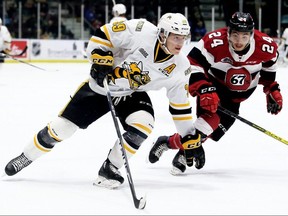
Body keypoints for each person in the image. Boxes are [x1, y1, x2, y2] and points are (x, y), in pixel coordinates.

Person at [4, 13, 203, 189]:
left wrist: (188, 138)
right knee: (62, 128)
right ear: (162, 34)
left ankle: (110, 168)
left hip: (131, 93)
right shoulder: (141, 30)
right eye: (176, 37)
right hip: (102, 86)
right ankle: (26, 156)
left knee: (143, 124)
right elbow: (104, 34)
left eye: (183, 38)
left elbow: (181, 108)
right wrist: (99, 56)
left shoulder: (180, 67)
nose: (180, 43)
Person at [148, 12, 283, 175]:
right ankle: (183, 152)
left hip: (235, 99)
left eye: (244, 36)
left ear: (252, 35)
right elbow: (191, 64)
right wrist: (204, 88)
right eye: (235, 35)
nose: (239, 41)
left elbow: (268, 73)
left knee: (212, 133)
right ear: (228, 32)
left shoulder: (266, 47)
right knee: (206, 125)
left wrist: (272, 91)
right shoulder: (213, 42)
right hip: (212, 91)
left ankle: (168, 142)